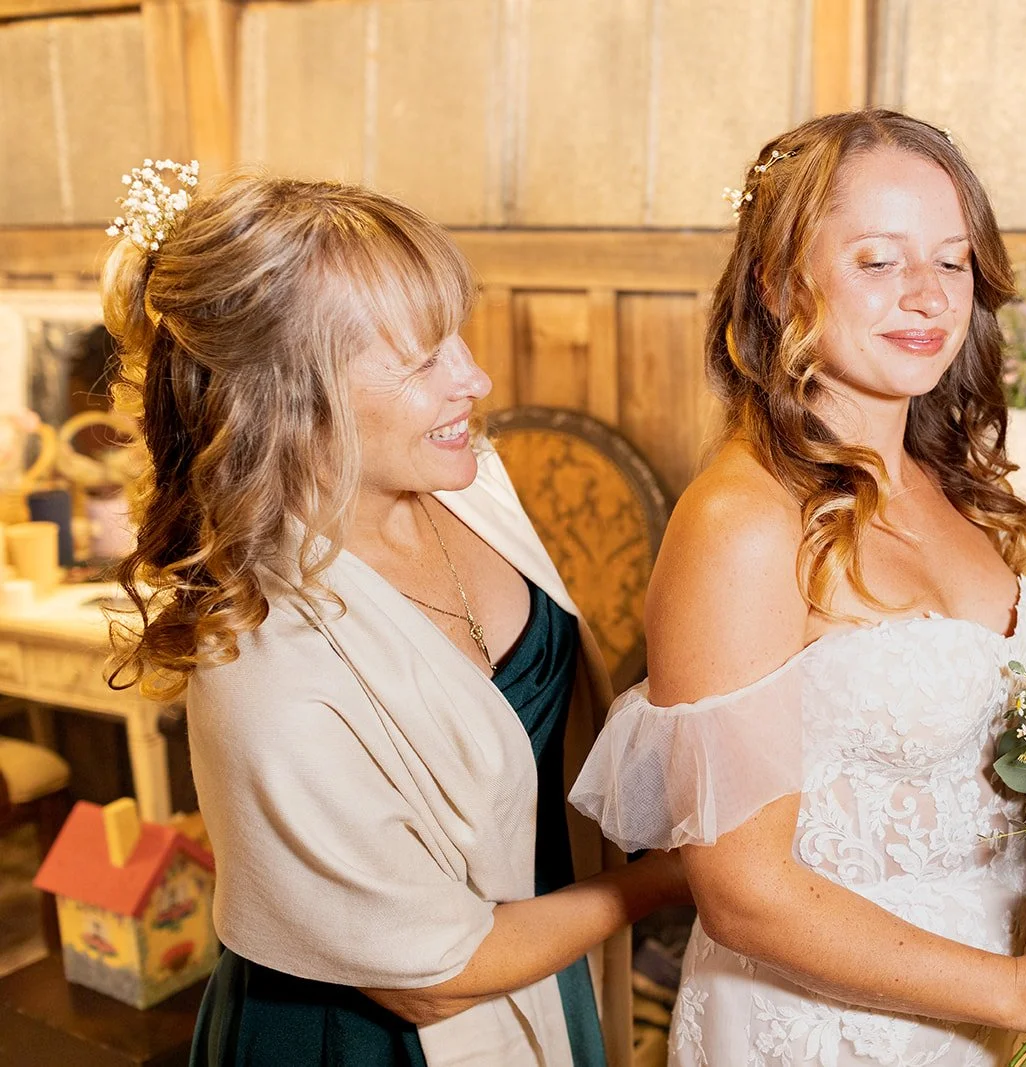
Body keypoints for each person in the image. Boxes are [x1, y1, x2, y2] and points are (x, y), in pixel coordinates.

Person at [571, 109, 1026, 1065]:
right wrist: (1023, 992)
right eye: (877, 261)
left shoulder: (961, 487)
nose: (927, 296)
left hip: (1000, 1015)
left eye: (951, 262)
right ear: (779, 282)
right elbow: (741, 891)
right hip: (825, 1028)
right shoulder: (744, 522)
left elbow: (1006, 786)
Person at [101, 164, 687, 1067]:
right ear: (289, 398)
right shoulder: (267, 667)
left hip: (542, 962)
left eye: (458, 338)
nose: (477, 378)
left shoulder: (470, 483)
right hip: (374, 1037)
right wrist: (670, 880)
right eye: (423, 359)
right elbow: (436, 974)